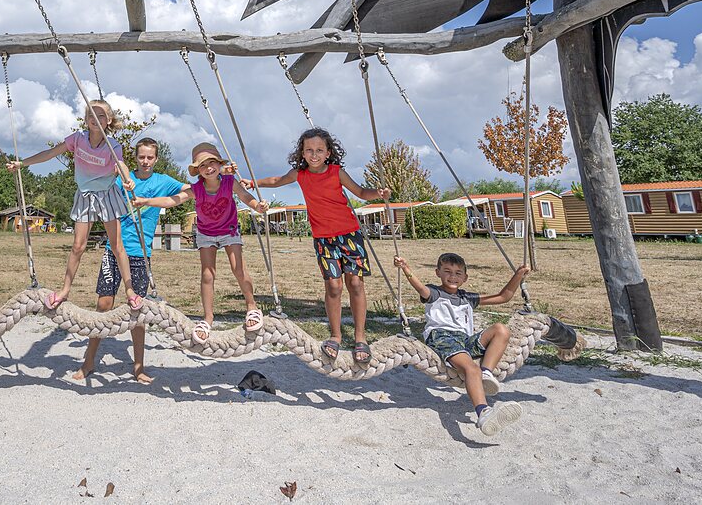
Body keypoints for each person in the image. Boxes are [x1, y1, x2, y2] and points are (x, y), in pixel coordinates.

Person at [242, 127, 386, 364]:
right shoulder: (300, 175)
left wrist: (379, 194)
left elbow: (360, 192)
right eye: (309, 150)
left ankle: (360, 337)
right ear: (302, 152)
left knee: (356, 283)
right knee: (333, 287)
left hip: (350, 235)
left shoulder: (336, 172)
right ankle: (336, 335)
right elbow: (277, 180)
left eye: (320, 150)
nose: (314, 154)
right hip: (324, 239)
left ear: (328, 152)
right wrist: (252, 182)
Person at [7, 99, 141, 309]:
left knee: (117, 246)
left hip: (106, 195)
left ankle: (130, 291)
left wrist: (127, 179)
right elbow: (50, 153)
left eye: (101, 115)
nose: (96, 118)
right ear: (86, 119)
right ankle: (65, 290)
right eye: (92, 114)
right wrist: (23, 163)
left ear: (109, 120)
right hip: (85, 195)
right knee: (78, 246)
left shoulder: (113, 145)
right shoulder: (77, 139)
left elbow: (121, 164)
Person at [74, 137, 183, 384]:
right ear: (135, 157)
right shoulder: (121, 178)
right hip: (114, 251)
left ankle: (138, 366)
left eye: (150, 157)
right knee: (103, 304)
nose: (145, 161)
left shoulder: (163, 182)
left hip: (141, 256)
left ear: (156, 159)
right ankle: (89, 360)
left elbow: (191, 191)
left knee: (138, 312)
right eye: (141, 157)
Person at [134, 142, 265, 344]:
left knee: (238, 267)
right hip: (206, 233)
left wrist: (258, 205)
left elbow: (246, 197)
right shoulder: (196, 189)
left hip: (229, 230)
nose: (209, 168)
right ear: (198, 170)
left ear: (220, 164)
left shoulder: (230, 182)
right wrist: (146, 201)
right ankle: (208, 319)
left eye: (212, 163)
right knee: (207, 273)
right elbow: (171, 200)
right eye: (203, 165)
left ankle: (252, 307)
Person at [394, 253, 531, 436]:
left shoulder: (467, 298)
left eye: (458, 273)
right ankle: (483, 413)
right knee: (470, 369)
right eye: (447, 272)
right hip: (442, 338)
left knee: (501, 330)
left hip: (464, 340)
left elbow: (503, 297)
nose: (453, 276)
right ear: (438, 273)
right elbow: (420, 288)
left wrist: (519, 274)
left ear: (465, 278)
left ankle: (486, 373)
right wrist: (405, 268)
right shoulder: (434, 293)